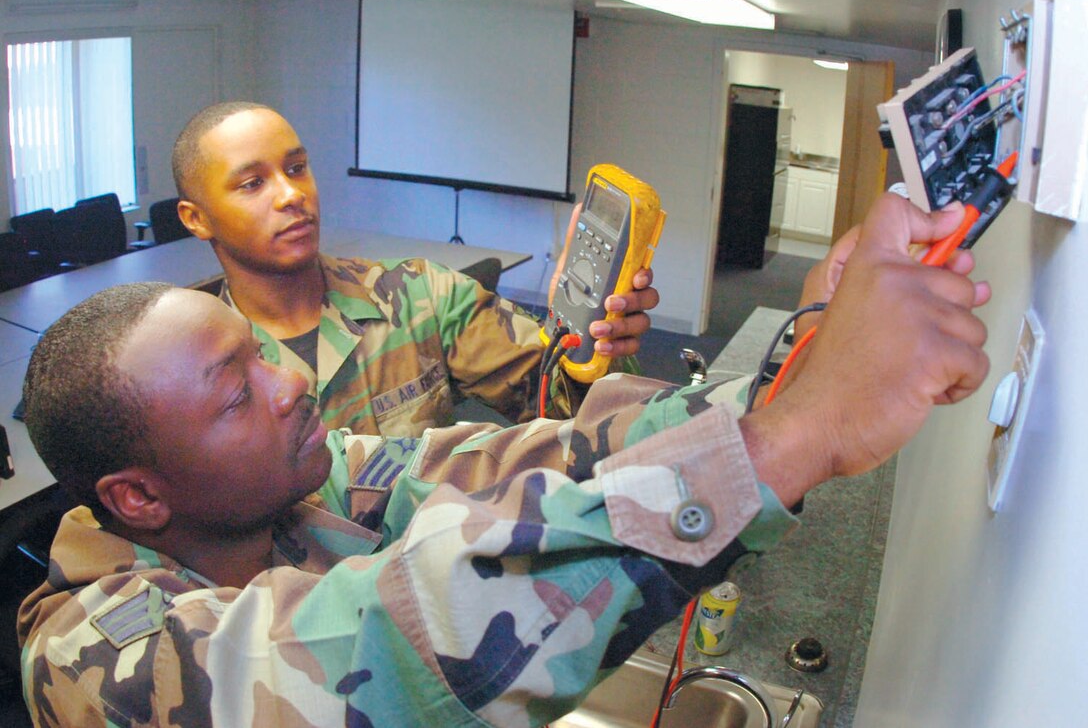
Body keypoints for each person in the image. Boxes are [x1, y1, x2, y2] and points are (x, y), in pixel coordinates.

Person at [18, 194, 990, 727]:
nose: (290, 386)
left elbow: (547, 456)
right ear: (137, 497)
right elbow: (374, 658)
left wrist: (794, 374)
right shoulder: (97, 657)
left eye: (258, 357)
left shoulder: (311, 482)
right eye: (237, 394)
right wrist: (791, 440)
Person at [171, 102, 660, 437]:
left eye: (297, 168)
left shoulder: (419, 295)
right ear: (196, 218)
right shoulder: (189, 367)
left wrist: (587, 340)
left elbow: (572, 412)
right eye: (253, 183)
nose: (291, 195)